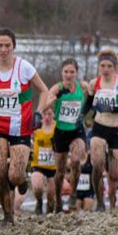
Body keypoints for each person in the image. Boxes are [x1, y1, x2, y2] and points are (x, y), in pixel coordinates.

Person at [0, 28, 50, 225]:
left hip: (21, 128)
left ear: (14, 47)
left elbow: (44, 90)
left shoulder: (24, 67)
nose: (3, 49)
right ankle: (7, 216)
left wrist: (38, 112)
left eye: (7, 46)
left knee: (14, 174)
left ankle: (22, 181)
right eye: (0, 45)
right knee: (0, 175)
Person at [86, 49, 118, 211]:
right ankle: (100, 202)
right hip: (100, 127)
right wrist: (79, 117)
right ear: (99, 67)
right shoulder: (95, 83)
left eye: (109, 66)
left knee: (114, 174)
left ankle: (113, 203)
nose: (105, 69)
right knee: (97, 165)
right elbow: (88, 104)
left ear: (114, 68)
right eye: (102, 66)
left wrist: (112, 108)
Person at [39, 58, 89, 216]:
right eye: (66, 72)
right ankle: (59, 201)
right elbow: (43, 107)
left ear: (76, 73)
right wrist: (50, 101)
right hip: (60, 132)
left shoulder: (83, 86)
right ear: (62, 73)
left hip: (77, 131)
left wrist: (85, 114)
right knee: (59, 172)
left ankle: (73, 193)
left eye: (72, 72)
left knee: (75, 160)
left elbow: (94, 95)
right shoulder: (57, 87)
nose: (69, 75)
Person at [28, 108, 58, 214]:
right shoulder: (36, 127)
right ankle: (39, 202)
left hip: (53, 166)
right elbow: (28, 138)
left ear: (53, 115)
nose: (47, 117)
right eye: (45, 114)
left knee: (51, 195)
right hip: (38, 164)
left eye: (49, 114)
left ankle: (50, 213)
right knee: (37, 186)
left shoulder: (57, 127)